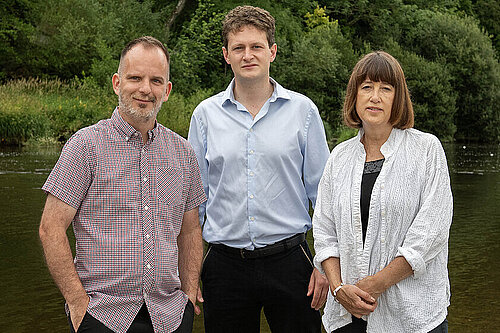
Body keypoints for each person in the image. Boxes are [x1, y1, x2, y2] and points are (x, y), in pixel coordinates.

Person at [39, 36, 206, 333]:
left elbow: (191, 230)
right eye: (135, 78)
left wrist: (189, 294)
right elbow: (50, 228)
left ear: (166, 91)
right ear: (117, 83)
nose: (145, 89)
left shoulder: (183, 153)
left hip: (170, 315)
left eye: (156, 80)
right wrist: (78, 302)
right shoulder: (84, 146)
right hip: (103, 314)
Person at [187, 5, 330, 333]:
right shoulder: (205, 116)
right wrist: (190, 272)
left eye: (256, 47)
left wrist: (324, 264)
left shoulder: (303, 112)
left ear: (272, 52)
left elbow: (324, 196)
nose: (247, 55)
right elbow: (194, 203)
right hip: (224, 266)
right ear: (226, 55)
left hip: (292, 261)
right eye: (239, 47)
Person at [312, 51, 453, 333]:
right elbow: (325, 232)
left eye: (385, 89)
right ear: (355, 97)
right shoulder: (339, 157)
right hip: (348, 314)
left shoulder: (426, 150)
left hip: (411, 316)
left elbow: (430, 236)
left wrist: (373, 286)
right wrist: (339, 289)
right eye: (366, 88)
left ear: (397, 98)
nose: (375, 97)